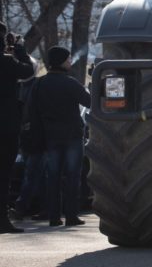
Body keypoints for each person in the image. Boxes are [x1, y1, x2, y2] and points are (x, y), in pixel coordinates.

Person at [34, 46, 91, 227]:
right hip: (72, 135)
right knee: (73, 176)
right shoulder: (71, 83)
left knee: (52, 177)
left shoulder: (40, 84)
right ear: (61, 61)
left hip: (50, 135)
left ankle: (53, 216)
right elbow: (89, 102)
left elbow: (32, 110)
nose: (69, 62)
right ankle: (72, 215)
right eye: (67, 59)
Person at [0, 22, 34, 234]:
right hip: (6, 126)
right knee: (4, 174)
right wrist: (20, 50)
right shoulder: (6, 62)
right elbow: (28, 70)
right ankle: (2, 220)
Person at [13, 57, 47, 222]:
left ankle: (22, 206)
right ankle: (40, 207)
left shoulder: (36, 86)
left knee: (32, 174)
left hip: (34, 137)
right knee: (36, 175)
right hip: (27, 137)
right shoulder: (21, 86)